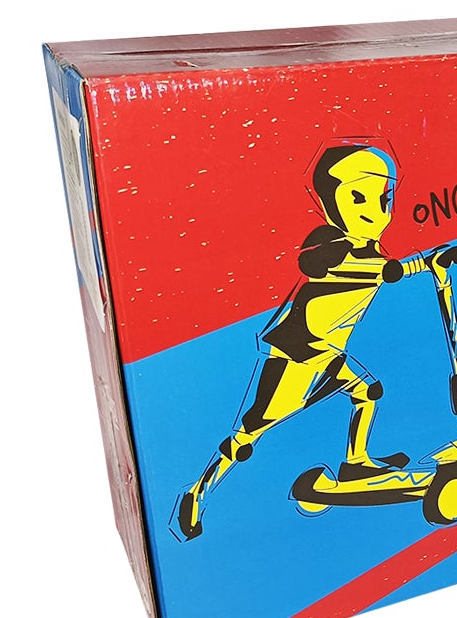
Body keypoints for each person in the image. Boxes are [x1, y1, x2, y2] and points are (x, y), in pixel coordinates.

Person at [174, 143, 406, 541]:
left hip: (327, 351)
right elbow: (352, 268)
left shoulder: (372, 253)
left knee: (368, 391)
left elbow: (379, 268)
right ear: (329, 203)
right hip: (298, 355)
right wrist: (423, 263)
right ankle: (197, 494)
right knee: (251, 433)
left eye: (383, 198)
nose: (375, 210)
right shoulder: (330, 249)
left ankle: (356, 462)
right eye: (358, 198)